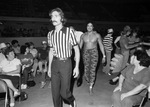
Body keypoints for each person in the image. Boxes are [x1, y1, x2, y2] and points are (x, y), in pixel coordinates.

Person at [47, 8, 80, 107]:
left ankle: (72, 100)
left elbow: (76, 49)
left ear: (62, 18)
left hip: (66, 63)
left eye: (56, 16)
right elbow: (51, 52)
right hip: (55, 64)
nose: (53, 18)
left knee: (64, 93)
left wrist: (77, 66)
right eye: (52, 16)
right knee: (55, 93)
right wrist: (49, 67)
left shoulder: (69, 31)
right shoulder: (50, 34)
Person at [80, 22, 106, 94]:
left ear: (93, 27)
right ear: (86, 27)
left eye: (91, 26)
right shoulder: (83, 35)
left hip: (94, 52)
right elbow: (80, 47)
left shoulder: (97, 35)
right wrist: (77, 56)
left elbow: (101, 45)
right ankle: (88, 80)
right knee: (86, 68)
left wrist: (104, 55)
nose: (89, 27)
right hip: (85, 53)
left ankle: (91, 86)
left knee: (92, 69)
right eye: (88, 25)